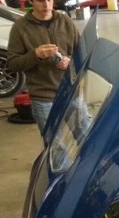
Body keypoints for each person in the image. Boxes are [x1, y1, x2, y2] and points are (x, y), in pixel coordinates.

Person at [7, 0, 80, 133]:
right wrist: (36, 55)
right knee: (55, 148)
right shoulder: (20, 27)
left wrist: (70, 60)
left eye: (49, 0)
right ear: (31, 1)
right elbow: (13, 64)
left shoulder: (65, 21)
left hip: (70, 92)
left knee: (86, 139)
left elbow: (82, 52)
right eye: (40, 0)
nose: (46, 5)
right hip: (43, 98)